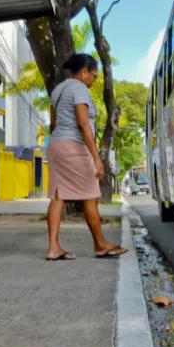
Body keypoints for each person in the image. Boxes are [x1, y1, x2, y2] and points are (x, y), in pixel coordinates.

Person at [45, 53, 127, 261]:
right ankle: (100, 244)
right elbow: (83, 124)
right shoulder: (79, 89)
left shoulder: (58, 90)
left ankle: (53, 247)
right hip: (74, 147)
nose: (94, 79)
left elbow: (53, 125)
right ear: (84, 72)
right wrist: (96, 158)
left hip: (56, 145)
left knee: (58, 196)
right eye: (94, 75)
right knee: (91, 195)